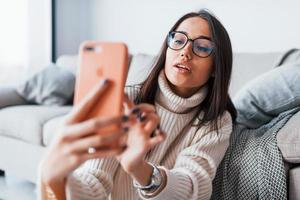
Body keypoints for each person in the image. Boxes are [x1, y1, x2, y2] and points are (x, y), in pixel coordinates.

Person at [40, 9, 237, 200]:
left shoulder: (216, 122)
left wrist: (139, 169)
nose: (185, 51)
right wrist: (54, 181)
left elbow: (194, 188)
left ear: (215, 68)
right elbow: (94, 181)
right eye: (178, 40)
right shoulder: (125, 102)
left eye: (202, 47)